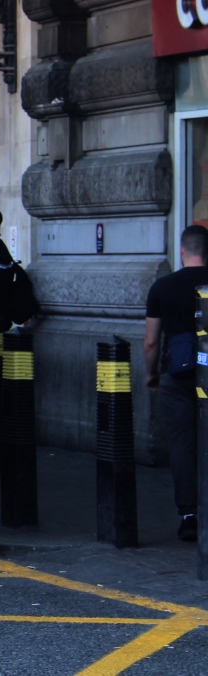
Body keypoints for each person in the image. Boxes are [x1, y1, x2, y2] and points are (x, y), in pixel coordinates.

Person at [144, 223, 208, 542]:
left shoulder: (163, 287)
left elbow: (151, 342)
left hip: (177, 375)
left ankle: (189, 514)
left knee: (182, 445)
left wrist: (152, 374)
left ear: (182, 251)